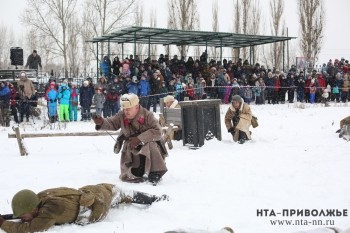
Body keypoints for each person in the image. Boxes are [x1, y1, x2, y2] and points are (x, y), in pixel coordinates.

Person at [0, 183, 168, 233]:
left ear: (34, 208)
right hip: (89, 193)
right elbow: (27, 217)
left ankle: (159, 200)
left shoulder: (50, 209)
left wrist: (3, 224)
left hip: (97, 205)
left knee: (120, 193)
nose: (22, 218)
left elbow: (29, 228)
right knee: (118, 193)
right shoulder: (41, 196)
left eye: (24, 215)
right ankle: (157, 198)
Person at [92, 94, 168, 184]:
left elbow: (157, 131)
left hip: (150, 148)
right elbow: (112, 122)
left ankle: (155, 172)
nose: (125, 111)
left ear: (136, 107)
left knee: (150, 145)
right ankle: (137, 170)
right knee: (130, 150)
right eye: (124, 109)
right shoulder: (122, 115)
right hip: (132, 147)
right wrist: (101, 122)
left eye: (128, 109)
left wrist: (140, 139)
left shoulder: (147, 115)